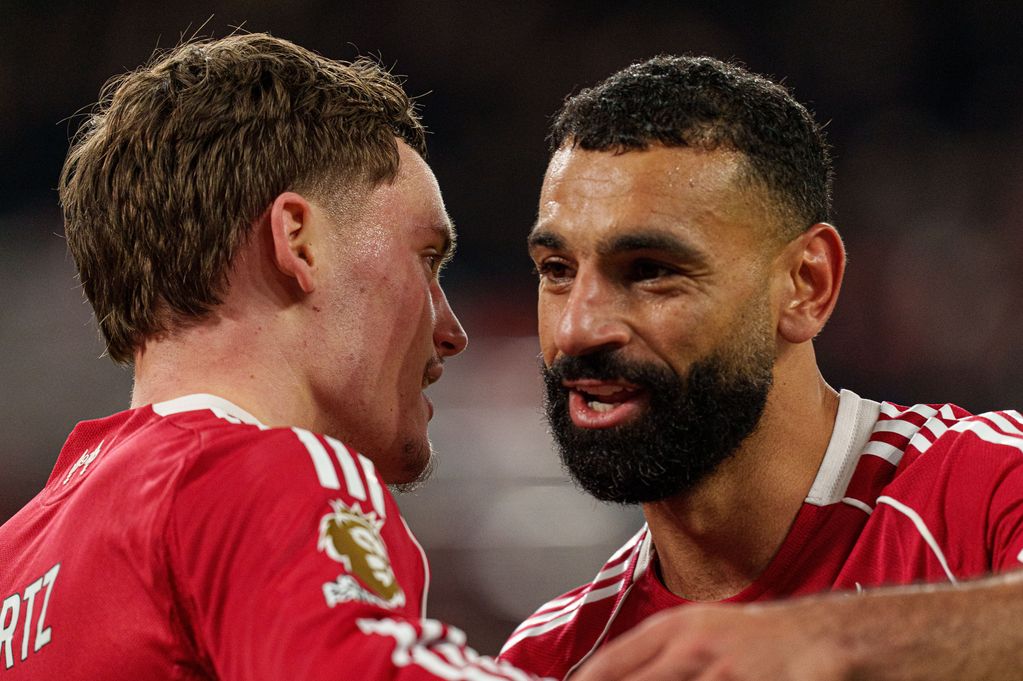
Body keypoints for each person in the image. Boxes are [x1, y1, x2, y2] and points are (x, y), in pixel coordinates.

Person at [0, 33, 543, 681]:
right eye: (425, 259)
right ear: (298, 242)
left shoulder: (18, 559)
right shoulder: (261, 469)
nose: (451, 328)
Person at [498, 55, 1023, 680]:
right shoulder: (550, 660)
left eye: (650, 270)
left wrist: (828, 644)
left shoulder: (986, 483)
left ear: (807, 284)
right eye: (556, 271)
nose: (576, 330)